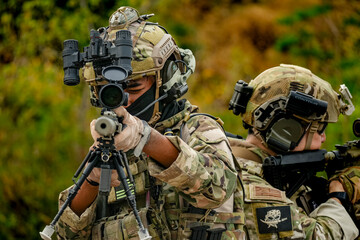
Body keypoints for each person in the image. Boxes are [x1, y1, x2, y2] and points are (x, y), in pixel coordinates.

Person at [55, 6, 244, 240]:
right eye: (107, 91)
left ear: (164, 80)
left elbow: (219, 187)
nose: (123, 100)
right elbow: (63, 233)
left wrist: (144, 137)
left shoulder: (196, 128)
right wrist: (92, 180)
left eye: (133, 87)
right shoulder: (110, 141)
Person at [228, 64, 359, 239]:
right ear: (287, 130)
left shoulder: (235, 162)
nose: (324, 138)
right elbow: (316, 236)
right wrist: (339, 195)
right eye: (320, 129)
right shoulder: (247, 185)